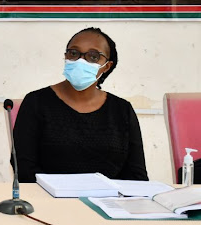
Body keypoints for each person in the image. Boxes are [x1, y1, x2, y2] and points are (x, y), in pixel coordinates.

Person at [13, 27, 148, 182]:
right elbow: (23, 168)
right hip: (49, 201)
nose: (81, 61)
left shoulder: (122, 110)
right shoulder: (36, 103)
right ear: (65, 56)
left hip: (109, 202)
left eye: (93, 56)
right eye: (74, 53)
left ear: (107, 66)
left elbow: (137, 176)